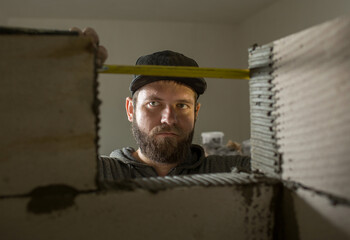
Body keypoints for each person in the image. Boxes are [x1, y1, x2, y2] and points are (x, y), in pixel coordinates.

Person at [72, 28, 250, 181]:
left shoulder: (231, 171)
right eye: (154, 103)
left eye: (182, 105)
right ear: (130, 110)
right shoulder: (98, 174)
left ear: (196, 112)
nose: (169, 119)